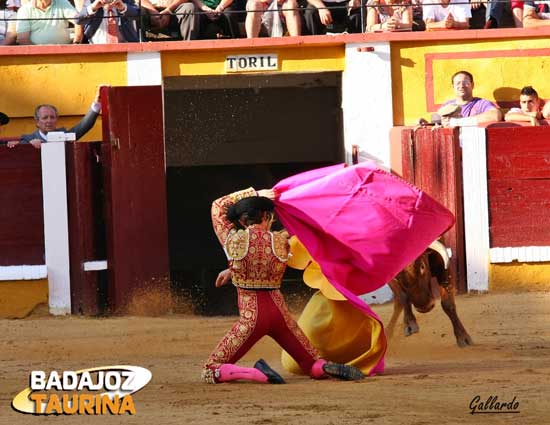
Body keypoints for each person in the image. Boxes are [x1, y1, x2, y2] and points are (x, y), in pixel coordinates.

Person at [202, 186, 366, 384]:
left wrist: (255, 194)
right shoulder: (281, 241)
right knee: (312, 363)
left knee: (211, 369)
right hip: (280, 315)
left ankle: (258, 374)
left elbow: (218, 206)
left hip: (252, 317)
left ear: (243, 220)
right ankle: (322, 367)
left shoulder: (233, 241)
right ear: (265, 216)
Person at [16, 86, 103, 149]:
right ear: (37, 122)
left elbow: (83, 126)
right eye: (45, 118)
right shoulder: (28, 139)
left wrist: (97, 104)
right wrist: (29, 146)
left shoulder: (65, 135)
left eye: (52, 117)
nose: (49, 121)